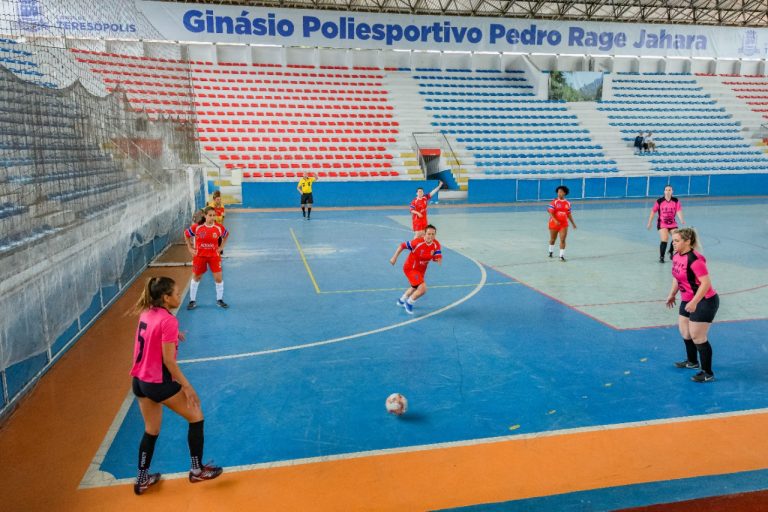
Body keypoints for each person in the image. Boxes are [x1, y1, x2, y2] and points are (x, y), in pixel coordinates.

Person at [129, 276, 223, 495]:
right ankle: (197, 470)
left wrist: (174, 335)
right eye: (177, 294)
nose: (179, 296)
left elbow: (151, 336)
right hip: (158, 383)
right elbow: (169, 362)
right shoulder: (169, 321)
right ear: (165, 297)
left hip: (139, 382)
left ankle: (142, 479)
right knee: (196, 416)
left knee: (151, 430)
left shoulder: (146, 312)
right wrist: (187, 387)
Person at [664, 228, 719, 383]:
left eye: (677, 241)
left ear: (687, 241)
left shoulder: (695, 260)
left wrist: (694, 302)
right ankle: (692, 362)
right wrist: (672, 294)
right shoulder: (676, 255)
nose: (673, 243)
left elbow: (705, 283)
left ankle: (707, 373)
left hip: (704, 301)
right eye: (673, 241)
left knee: (697, 336)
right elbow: (677, 277)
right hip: (687, 299)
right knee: (686, 333)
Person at [389, 224, 442, 315]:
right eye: (429, 234)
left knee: (415, 287)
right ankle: (409, 302)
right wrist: (394, 257)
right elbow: (402, 246)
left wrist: (438, 259)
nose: (430, 236)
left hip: (421, 270)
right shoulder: (417, 242)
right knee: (422, 289)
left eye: (433, 234)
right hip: (411, 268)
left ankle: (402, 300)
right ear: (424, 234)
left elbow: (436, 256)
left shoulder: (436, 244)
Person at [185, 206, 229, 310]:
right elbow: (186, 234)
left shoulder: (218, 227)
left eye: (214, 215)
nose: (212, 217)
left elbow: (226, 235)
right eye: (210, 215)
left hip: (214, 256)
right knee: (196, 278)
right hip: (200, 256)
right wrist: (190, 248)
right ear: (205, 216)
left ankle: (219, 300)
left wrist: (221, 247)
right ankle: (192, 301)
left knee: (218, 279)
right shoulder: (197, 227)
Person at [647, 185, 685, 263]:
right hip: (662, 223)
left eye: (669, 190)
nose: (668, 191)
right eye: (666, 190)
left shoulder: (676, 201)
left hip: (672, 223)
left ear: (672, 191)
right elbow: (653, 212)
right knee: (665, 238)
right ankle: (662, 257)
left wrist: (682, 220)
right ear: (664, 191)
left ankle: (671, 251)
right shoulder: (659, 201)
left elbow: (678, 210)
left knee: (677, 237)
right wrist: (649, 223)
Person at [548, 185, 577, 262]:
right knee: (553, 239)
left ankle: (561, 256)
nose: (559, 193)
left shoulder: (568, 203)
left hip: (563, 224)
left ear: (565, 193)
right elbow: (550, 212)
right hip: (554, 224)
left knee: (563, 239)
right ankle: (550, 251)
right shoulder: (554, 202)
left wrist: (573, 223)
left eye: (561, 192)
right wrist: (555, 220)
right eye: (558, 192)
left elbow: (569, 214)